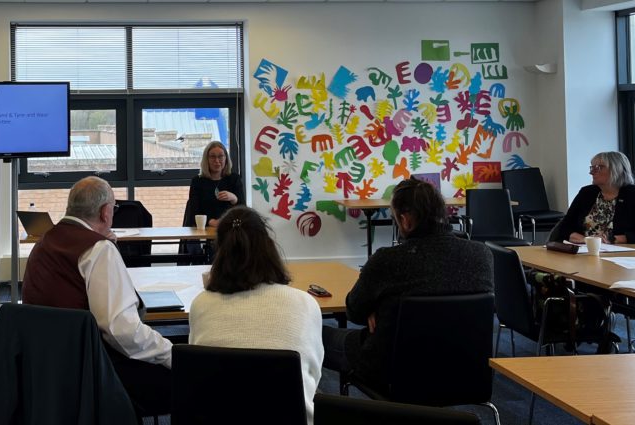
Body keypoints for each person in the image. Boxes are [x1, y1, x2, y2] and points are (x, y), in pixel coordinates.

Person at [322, 177, 493, 393]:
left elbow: (354, 311)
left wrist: (377, 309)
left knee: (312, 334)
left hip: (391, 371)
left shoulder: (388, 260)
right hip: (467, 372)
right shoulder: (482, 255)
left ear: (405, 220)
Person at [22, 176, 173, 417]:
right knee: (190, 379)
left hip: (45, 368)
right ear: (105, 213)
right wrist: (171, 353)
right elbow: (121, 331)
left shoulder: (44, 242)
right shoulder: (97, 250)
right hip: (94, 372)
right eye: (114, 209)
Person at [189, 206, 323, 425]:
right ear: (269, 247)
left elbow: (199, 373)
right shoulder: (306, 304)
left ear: (220, 253)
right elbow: (313, 374)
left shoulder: (200, 305)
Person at [553, 151, 635, 244]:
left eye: (598, 168)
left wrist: (611, 239)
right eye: (592, 168)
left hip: (621, 254)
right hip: (584, 251)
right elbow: (565, 226)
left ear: (616, 169)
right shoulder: (586, 193)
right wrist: (587, 240)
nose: (591, 172)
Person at [187, 141, 244, 228]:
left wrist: (234, 198)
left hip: (231, 229)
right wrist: (212, 222)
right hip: (205, 230)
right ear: (207, 159)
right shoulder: (197, 181)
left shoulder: (234, 179)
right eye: (212, 157)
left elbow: (244, 210)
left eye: (220, 156)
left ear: (226, 158)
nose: (217, 161)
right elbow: (194, 212)